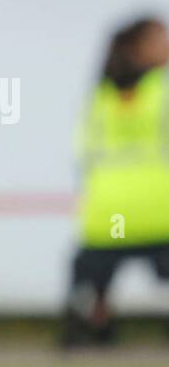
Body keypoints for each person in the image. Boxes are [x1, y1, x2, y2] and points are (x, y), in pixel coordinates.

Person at [61, 17, 169, 346]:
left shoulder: (101, 98)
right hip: (159, 211)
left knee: (90, 279)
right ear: (138, 49)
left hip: (106, 212)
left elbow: (83, 152)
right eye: (160, 39)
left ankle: (93, 323)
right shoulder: (162, 90)